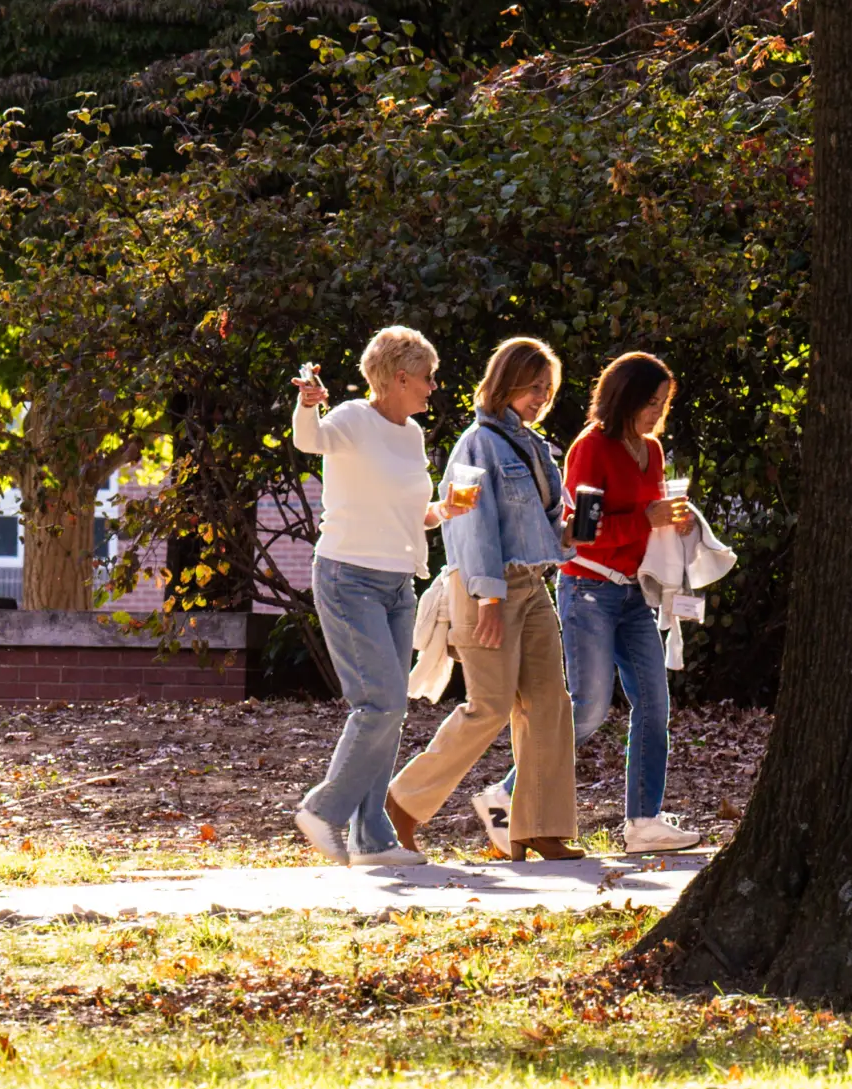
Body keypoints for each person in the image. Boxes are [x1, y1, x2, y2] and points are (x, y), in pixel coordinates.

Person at [383, 337, 583, 860]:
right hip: (483, 587)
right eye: (532, 387)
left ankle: (539, 825)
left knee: (549, 704)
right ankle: (400, 804)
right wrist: (489, 598)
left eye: (547, 390)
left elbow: (532, 524)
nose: (541, 397)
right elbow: (470, 524)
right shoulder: (476, 445)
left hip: (533, 585)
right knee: (489, 706)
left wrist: (566, 534)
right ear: (505, 382)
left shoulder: (535, 446)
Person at [288, 326, 474, 867]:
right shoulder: (349, 418)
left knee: (389, 709)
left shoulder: (411, 434)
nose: (433, 387)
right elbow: (308, 439)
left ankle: (373, 839)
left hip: (398, 584)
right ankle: (324, 809)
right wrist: (307, 404)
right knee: (381, 702)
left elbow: (412, 510)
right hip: (349, 578)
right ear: (398, 378)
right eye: (426, 377)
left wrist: (444, 513)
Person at [554, 351, 703, 853]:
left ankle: (643, 822)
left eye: (663, 403)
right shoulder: (591, 449)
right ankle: (507, 796)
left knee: (654, 705)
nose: (656, 412)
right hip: (590, 588)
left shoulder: (653, 451)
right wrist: (649, 519)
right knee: (589, 709)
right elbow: (584, 535)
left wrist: (674, 523)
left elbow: (652, 516)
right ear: (623, 397)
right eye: (649, 401)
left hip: (635, 592)